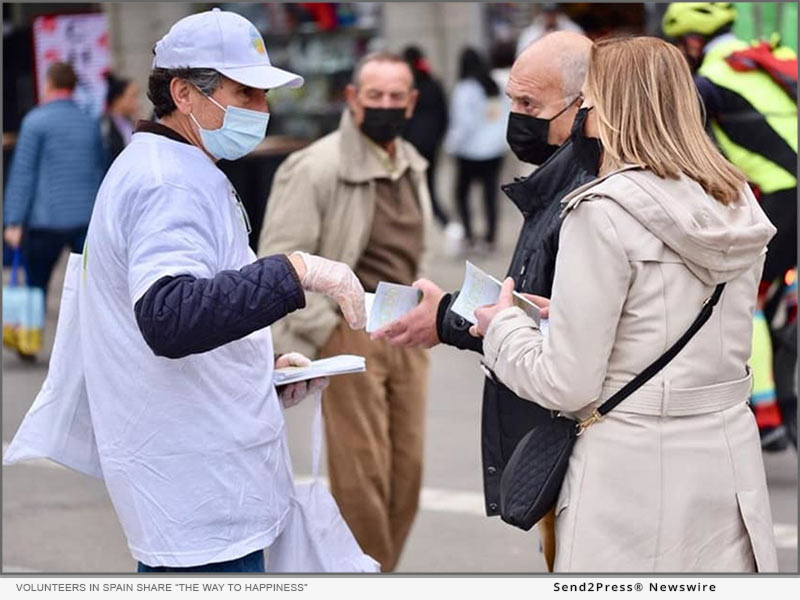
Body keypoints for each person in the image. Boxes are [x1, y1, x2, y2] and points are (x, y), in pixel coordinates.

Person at [471, 36, 778, 572]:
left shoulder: (603, 212)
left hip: (630, 474)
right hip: (727, 458)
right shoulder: (736, 199)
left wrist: (503, 329)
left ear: (608, 108)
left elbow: (566, 383)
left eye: (588, 102)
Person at [78, 9, 366, 572]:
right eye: (246, 94)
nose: (261, 111)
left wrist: (255, 364)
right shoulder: (166, 181)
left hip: (205, 475)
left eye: (263, 97)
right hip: (196, 491)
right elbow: (170, 315)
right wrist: (295, 270)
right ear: (184, 93)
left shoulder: (178, 164)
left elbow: (199, 299)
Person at [373, 31, 597, 572]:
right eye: (513, 101)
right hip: (562, 442)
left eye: (530, 105)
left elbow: (562, 340)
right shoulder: (558, 183)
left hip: (578, 446)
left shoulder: (591, 199)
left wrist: (449, 318)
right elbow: (535, 301)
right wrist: (456, 310)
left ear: (584, 106)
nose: (515, 117)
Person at [259, 51, 432, 572]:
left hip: (408, 331)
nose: (384, 105)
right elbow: (281, 259)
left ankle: (378, 570)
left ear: (411, 102)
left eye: (395, 97)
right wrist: (302, 335)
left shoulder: (411, 163)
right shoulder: (315, 167)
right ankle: (368, 574)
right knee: (362, 473)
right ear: (352, 99)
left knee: (408, 471)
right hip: (348, 329)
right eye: (373, 95)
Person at [663, 2, 798, 450]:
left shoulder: (710, 84)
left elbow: (685, 151)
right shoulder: (760, 62)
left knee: (745, 294)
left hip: (785, 199)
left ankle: (765, 416)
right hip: (787, 197)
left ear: (693, 42)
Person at [3, 62, 105, 298]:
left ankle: (34, 333)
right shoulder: (89, 122)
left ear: (48, 83)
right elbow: (100, 169)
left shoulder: (35, 121)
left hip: (45, 220)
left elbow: (23, 173)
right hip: (86, 219)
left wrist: (14, 221)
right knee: (90, 291)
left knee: (36, 291)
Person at [444, 47, 509, 254]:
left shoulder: (464, 89)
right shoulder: (494, 86)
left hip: (469, 152)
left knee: (461, 194)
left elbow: (464, 123)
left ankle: (470, 235)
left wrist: (451, 146)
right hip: (494, 150)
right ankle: (490, 237)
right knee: (489, 195)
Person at [402, 46, 453, 231]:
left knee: (414, 188)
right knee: (429, 185)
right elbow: (445, 116)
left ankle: (431, 221)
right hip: (431, 144)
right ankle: (442, 221)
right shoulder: (434, 84)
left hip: (413, 144)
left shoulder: (408, 87)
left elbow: (404, 119)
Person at [101, 73, 141, 165]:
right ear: (118, 99)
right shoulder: (104, 125)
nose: (136, 102)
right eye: (132, 96)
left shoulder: (131, 123)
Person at [516, 3, 583, 57]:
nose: (551, 16)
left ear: (558, 13)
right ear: (543, 14)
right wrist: (541, 40)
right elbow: (520, 55)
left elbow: (582, 51)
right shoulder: (531, 32)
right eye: (548, 13)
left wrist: (560, 40)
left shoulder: (571, 29)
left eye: (553, 13)